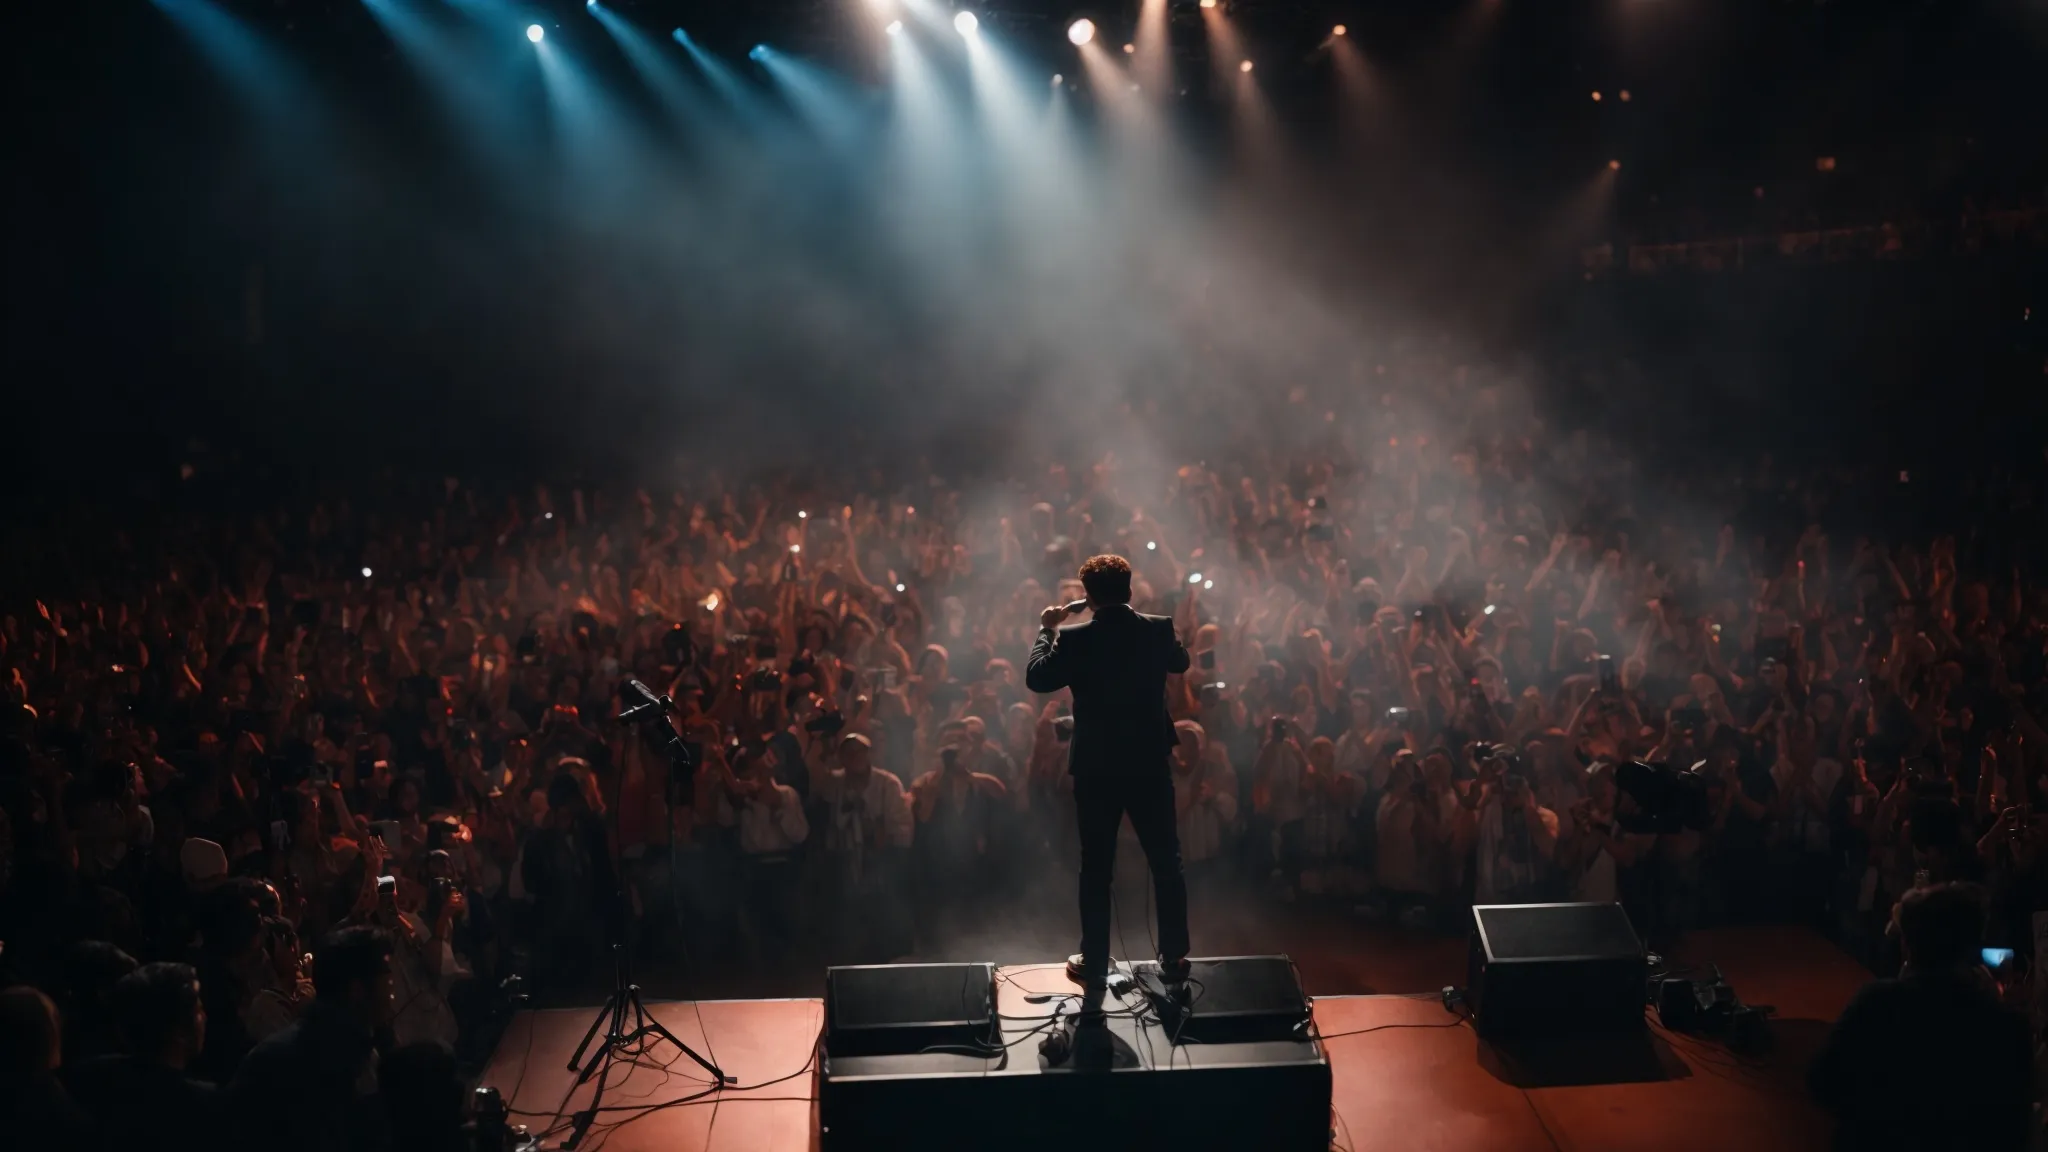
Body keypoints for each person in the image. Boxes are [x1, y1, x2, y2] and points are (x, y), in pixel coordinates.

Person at [1025, 554, 1193, 987]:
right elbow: (1181, 663)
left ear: (1088, 597)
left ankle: (1096, 959)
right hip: (1148, 763)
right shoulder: (1157, 627)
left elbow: (1037, 678)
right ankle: (1173, 957)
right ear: (1130, 590)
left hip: (1097, 767)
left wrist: (1047, 629)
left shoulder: (1077, 638)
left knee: (1096, 865)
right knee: (1165, 860)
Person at [1807, 883, 2030, 1152]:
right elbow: (2014, 1129)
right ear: (1972, 945)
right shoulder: (2006, 1025)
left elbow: (1822, 1082)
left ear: (1906, 945)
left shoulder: (1877, 1003)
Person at [229, 925, 396, 1152]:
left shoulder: (364, 1052)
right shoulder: (289, 1063)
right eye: (387, 980)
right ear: (357, 989)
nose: (392, 992)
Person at [65, 961, 220, 1152]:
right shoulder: (202, 1105)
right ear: (178, 1032)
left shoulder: (84, 1077)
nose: (204, 1017)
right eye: (198, 1009)